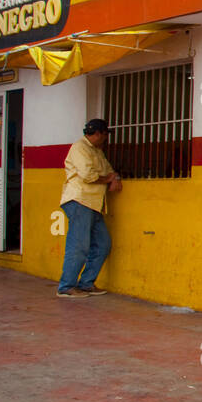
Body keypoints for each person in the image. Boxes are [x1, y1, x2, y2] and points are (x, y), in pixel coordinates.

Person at [57, 118, 122, 297]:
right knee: (79, 246)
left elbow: (109, 170)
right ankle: (66, 287)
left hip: (94, 203)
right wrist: (108, 179)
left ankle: (86, 283)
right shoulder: (80, 148)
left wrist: (113, 178)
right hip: (79, 200)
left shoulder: (97, 151)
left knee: (103, 244)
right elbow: (87, 175)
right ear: (99, 133)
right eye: (106, 135)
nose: (106, 139)